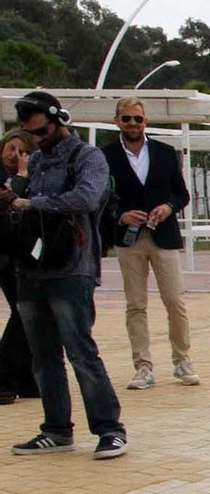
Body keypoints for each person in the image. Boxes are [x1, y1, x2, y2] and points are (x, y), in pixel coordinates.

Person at [2, 92, 127, 458]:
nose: (35, 140)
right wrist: (17, 191)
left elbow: (86, 198)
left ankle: (110, 429)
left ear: (59, 121)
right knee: (42, 356)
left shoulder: (88, 156)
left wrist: (33, 203)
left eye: (41, 131)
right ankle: (56, 429)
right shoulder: (36, 160)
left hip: (72, 267)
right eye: (30, 133)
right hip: (31, 267)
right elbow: (18, 207)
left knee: (81, 352)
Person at [102, 96, 197, 390]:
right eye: (126, 118)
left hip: (163, 236)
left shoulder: (165, 153)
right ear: (117, 121)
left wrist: (169, 207)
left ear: (146, 121)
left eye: (138, 118)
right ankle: (142, 366)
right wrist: (121, 215)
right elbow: (99, 197)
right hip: (129, 239)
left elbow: (182, 194)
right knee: (135, 304)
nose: (133, 123)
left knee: (174, 300)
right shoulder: (104, 155)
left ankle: (182, 360)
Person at [0, 131, 39, 405]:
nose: (15, 155)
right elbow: (13, 198)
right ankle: (4, 377)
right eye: (11, 148)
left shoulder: (35, 177)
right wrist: (22, 177)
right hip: (3, 252)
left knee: (26, 312)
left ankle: (25, 378)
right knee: (22, 311)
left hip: (21, 251)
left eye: (22, 152)